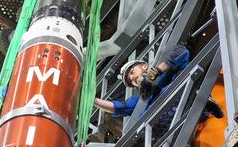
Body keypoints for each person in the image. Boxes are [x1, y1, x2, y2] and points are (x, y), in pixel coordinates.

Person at [94, 44, 223, 120]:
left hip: (184, 91)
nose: (132, 78)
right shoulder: (140, 99)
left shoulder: (164, 64)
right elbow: (119, 107)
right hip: (171, 113)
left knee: (181, 68)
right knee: (141, 115)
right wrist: (92, 101)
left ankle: (200, 100)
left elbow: (182, 52)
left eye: (132, 72)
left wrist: (154, 73)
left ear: (144, 66)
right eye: (130, 81)